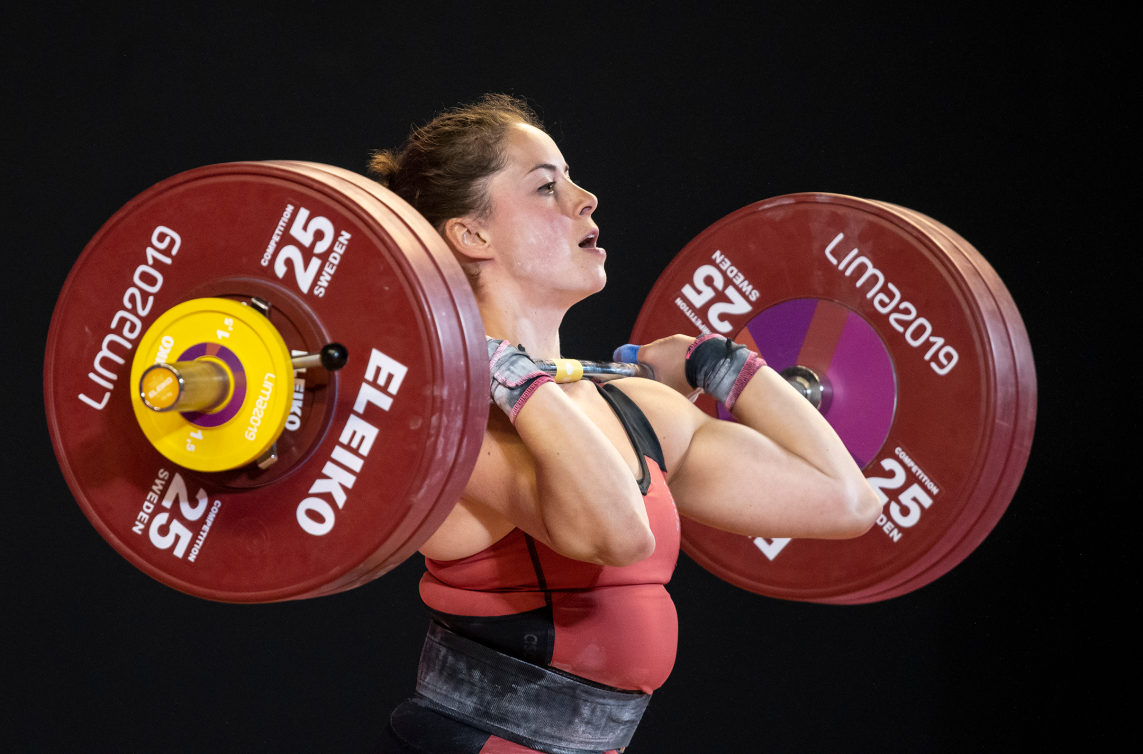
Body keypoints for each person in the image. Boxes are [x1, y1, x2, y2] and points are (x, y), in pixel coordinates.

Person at [367, 94, 880, 754]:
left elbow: (845, 500)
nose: (586, 199)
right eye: (547, 187)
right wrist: (507, 376)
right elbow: (615, 535)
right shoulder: (452, 419)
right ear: (471, 235)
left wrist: (719, 364)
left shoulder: (628, 406)